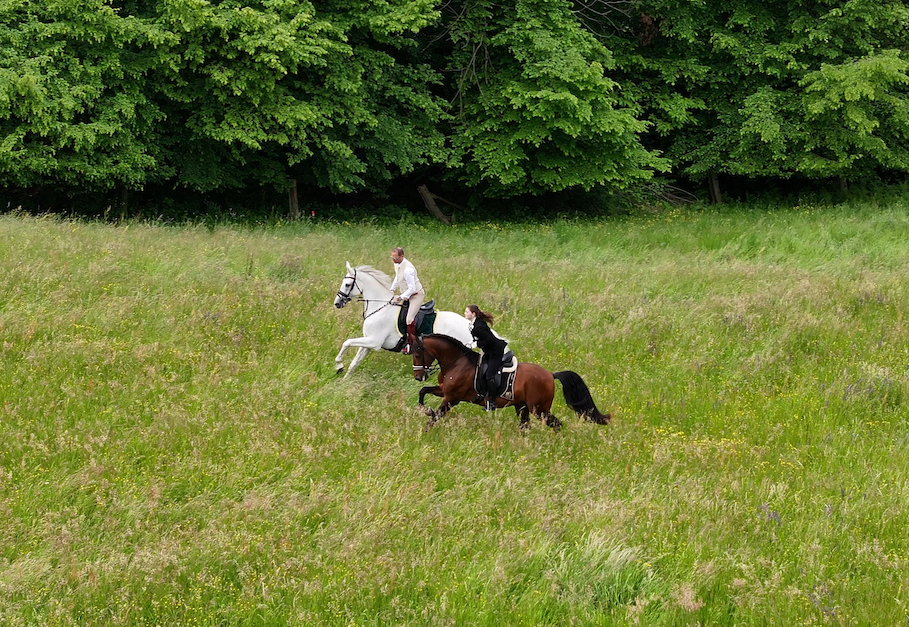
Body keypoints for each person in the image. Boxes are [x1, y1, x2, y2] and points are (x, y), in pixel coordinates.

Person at [464, 304, 507, 411]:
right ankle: (482, 394)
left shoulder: (479, 326)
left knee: (489, 376)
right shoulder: (474, 324)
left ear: (473, 314)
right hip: (488, 351)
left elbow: (489, 340)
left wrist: (477, 343)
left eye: (467, 312)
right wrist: (471, 342)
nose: (464, 313)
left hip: (495, 352)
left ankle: (492, 402)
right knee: (480, 371)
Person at [389, 247, 425, 354]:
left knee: (409, 319)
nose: (393, 260)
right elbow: (397, 277)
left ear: (402, 256)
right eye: (392, 257)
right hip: (407, 294)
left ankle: (411, 344)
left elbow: (412, 288)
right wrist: (391, 289)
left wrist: (400, 297)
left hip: (416, 295)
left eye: (395, 258)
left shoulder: (408, 270)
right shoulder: (397, 264)